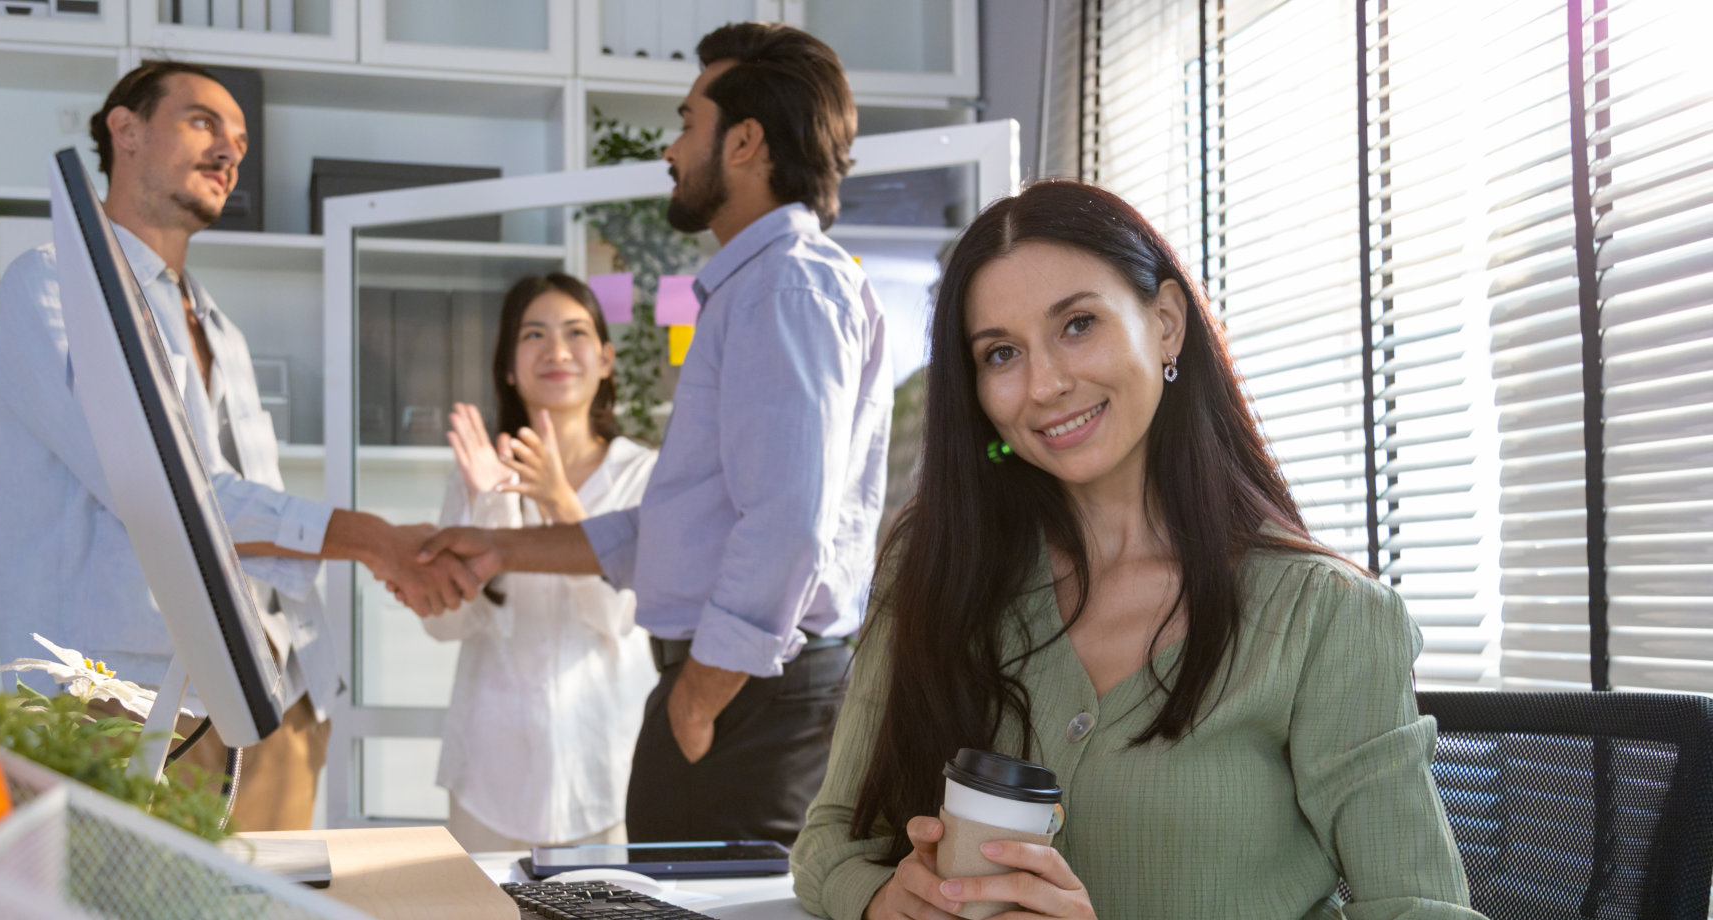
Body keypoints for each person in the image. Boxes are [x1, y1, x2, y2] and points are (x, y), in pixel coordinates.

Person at [789, 181, 1482, 920]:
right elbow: (831, 838)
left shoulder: (1327, 618)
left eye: (1078, 324)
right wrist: (885, 899)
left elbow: (1423, 909)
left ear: (1166, 324)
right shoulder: (935, 571)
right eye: (1001, 353)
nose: (1045, 384)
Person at [414, 22, 887, 846]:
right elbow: (675, 533)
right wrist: (502, 552)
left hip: (746, 696)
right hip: (740, 690)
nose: (672, 148)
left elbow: (786, 525)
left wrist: (699, 698)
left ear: (743, 143)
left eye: (687, 122)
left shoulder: (784, 288)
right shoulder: (759, 289)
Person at [0, 61, 441, 830]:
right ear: (123, 130)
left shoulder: (218, 325)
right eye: (203, 122)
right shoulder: (54, 286)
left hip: (280, 698)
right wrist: (372, 540)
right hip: (126, 704)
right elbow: (162, 487)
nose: (230, 151)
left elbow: (241, 516)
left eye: (240, 140)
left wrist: (388, 552)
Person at [411, 274, 659, 852]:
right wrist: (490, 503)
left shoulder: (643, 475)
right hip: (490, 774)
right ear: (507, 365)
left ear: (605, 359)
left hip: (608, 770)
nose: (557, 350)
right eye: (534, 334)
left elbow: (618, 617)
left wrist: (557, 500)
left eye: (576, 332)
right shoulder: (477, 474)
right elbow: (444, 624)